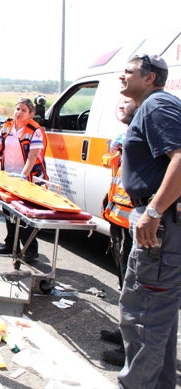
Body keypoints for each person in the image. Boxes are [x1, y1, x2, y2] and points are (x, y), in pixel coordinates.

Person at [116, 53, 181, 389]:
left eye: (128, 71)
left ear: (150, 78)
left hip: (162, 222)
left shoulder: (157, 106)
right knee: (160, 323)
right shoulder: (152, 106)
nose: (121, 76)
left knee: (142, 318)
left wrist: (153, 212)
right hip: (163, 219)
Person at [99, 95, 137, 367]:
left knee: (135, 289)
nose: (121, 105)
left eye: (127, 102)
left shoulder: (142, 140)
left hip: (133, 224)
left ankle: (131, 349)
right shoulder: (125, 138)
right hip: (118, 219)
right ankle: (124, 333)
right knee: (124, 283)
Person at [0, 98, 47, 263]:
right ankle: (10, 244)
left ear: (31, 114)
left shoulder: (35, 130)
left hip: (27, 178)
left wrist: (23, 175)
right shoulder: (7, 126)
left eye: (23, 110)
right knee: (8, 212)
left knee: (23, 215)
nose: (18, 112)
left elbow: (33, 156)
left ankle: (30, 250)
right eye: (17, 109)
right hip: (8, 176)